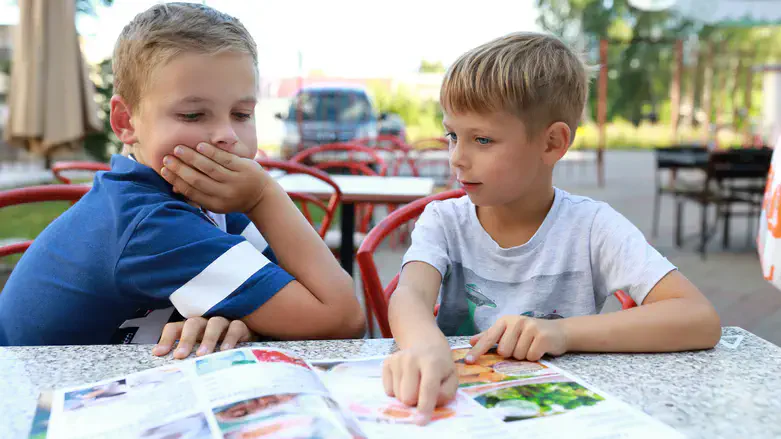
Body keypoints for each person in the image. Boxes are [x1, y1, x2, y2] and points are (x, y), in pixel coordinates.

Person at [381, 32, 722, 422]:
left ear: (552, 143)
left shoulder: (592, 227)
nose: (457, 157)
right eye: (453, 136)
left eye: (483, 139)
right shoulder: (444, 221)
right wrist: (424, 345)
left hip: (563, 415)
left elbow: (698, 317)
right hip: (459, 411)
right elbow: (410, 295)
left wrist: (563, 333)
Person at [0, 3, 365, 355]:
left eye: (241, 114)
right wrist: (263, 197)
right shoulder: (150, 222)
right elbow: (342, 320)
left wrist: (246, 319)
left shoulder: (209, 201)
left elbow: (304, 293)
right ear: (126, 122)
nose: (227, 135)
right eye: (193, 115)